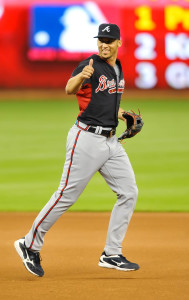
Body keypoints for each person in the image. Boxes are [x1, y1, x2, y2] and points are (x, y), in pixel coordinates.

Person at [14, 23, 139, 277]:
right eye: (101, 39)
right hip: (86, 139)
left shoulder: (117, 68)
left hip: (111, 142)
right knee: (66, 195)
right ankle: (29, 244)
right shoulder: (89, 65)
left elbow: (104, 102)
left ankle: (111, 254)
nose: (104, 44)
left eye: (109, 40)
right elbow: (69, 89)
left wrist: (123, 115)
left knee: (129, 192)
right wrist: (80, 77)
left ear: (118, 43)